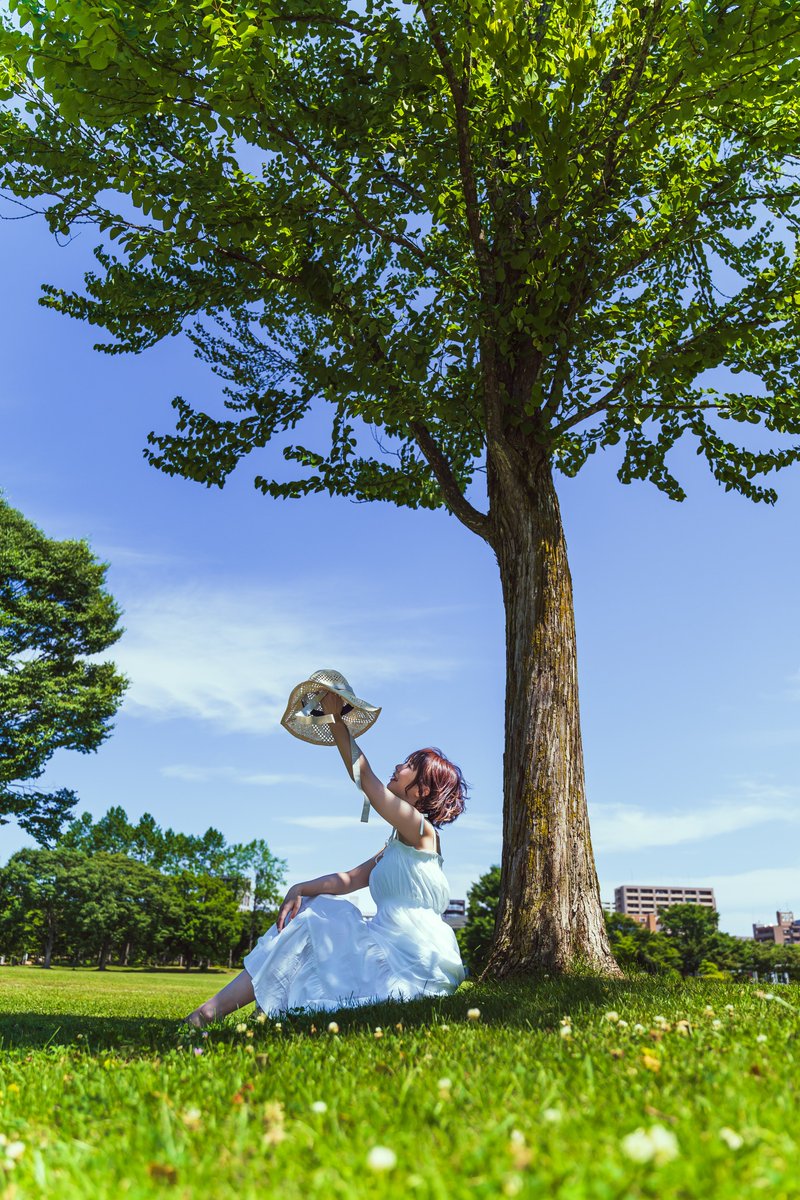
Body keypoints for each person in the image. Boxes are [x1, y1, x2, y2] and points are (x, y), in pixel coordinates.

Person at [184, 691, 468, 1027]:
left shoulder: (422, 831)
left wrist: (335, 718)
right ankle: (232, 1012)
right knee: (314, 910)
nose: (398, 766)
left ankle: (209, 1014)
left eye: (409, 766)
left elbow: (368, 783)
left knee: (319, 917)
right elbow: (348, 880)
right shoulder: (397, 846)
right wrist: (300, 887)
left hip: (408, 958)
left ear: (423, 790)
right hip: (386, 947)